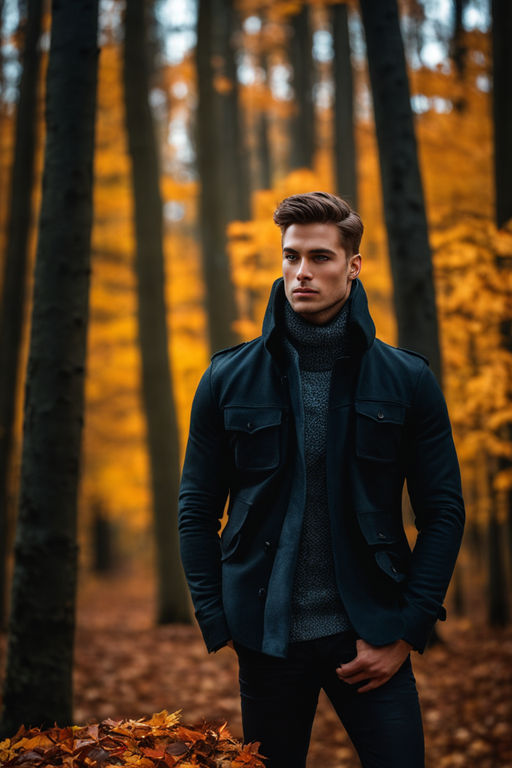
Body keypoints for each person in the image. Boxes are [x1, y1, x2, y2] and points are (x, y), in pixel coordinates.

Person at [178, 192, 465, 768]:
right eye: (290, 257)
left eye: (319, 257)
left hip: (372, 635)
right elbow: (195, 509)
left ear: (353, 265)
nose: (301, 272)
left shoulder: (408, 379)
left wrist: (407, 631)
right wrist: (220, 618)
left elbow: (443, 512)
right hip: (266, 637)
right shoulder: (226, 377)